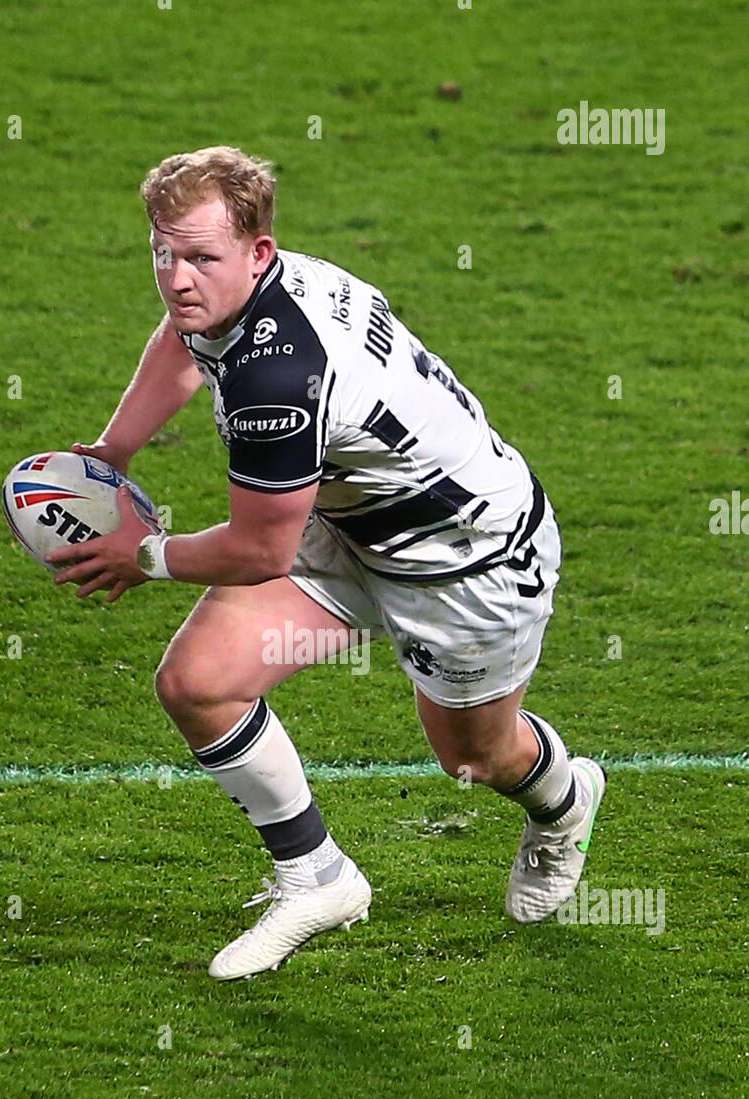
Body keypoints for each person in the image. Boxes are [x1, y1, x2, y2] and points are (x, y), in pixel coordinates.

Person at [49, 145, 606, 982]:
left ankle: (565, 803)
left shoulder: (280, 373)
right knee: (199, 682)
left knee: (474, 759)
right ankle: (318, 877)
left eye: (200, 256)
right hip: (345, 526)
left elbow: (259, 548)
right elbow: (180, 338)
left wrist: (145, 556)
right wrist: (115, 449)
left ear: (257, 251)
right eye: (163, 251)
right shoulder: (240, 290)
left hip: (462, 559)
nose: (177, 277)